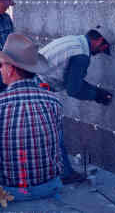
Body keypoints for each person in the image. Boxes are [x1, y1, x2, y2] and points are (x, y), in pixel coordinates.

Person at [36, 29, 113, 184]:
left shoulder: (74, 40)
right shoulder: (82, 55)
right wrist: (97, 95)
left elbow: (72, 80)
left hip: (32, 78)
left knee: (44, 131)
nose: (100, 53)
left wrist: (96, 91)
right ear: (99, 41)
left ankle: (55, 171)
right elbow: (74, 89)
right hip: (38, 86)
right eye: (103, 49)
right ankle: (64, 174)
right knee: (53, 130)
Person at [0, 33, 63, 203]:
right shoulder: (53, 101)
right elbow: (56, 149)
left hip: (11, 191)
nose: (0, 69)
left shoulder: (1, 104)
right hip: (50, 186)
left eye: (1, 65)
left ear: (11, 69)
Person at [0, 0, 15, 92]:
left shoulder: (6, 18)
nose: (8, 7)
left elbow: (13, 41)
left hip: (7, 68)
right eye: (5, 4)